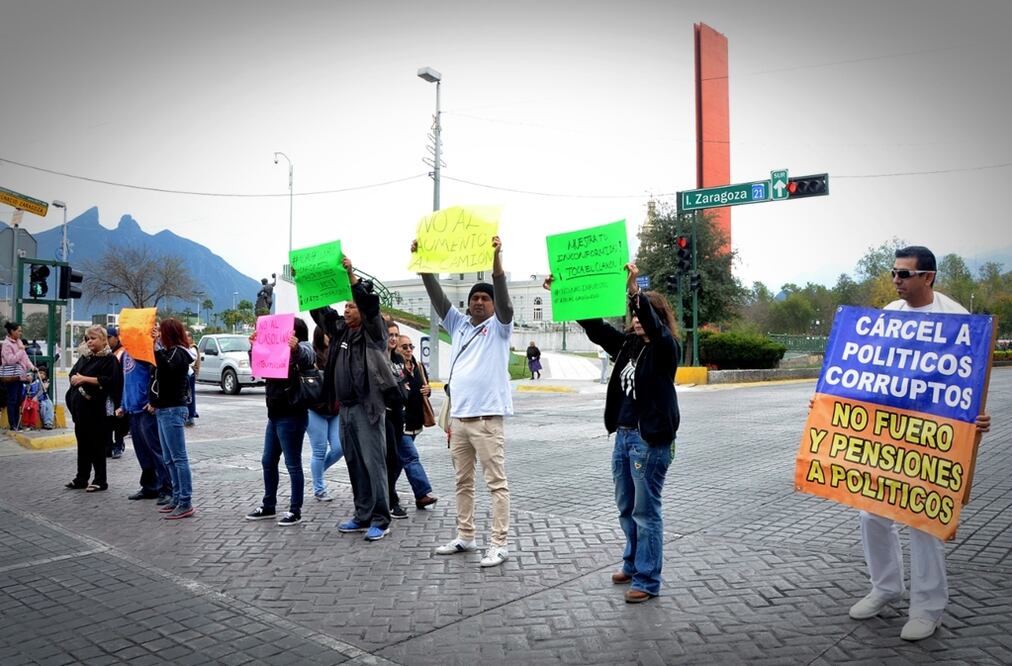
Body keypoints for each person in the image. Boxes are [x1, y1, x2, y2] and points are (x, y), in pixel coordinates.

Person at [844, 245, 991, 641]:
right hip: (887, 434)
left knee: (923, 522)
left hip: (932, 438)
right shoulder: (889, 316)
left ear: (928, 277)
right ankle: (885, 587)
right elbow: (866, 369)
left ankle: (929, 608)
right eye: (894, 273)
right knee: (871, 514)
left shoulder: (956, 319)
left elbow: (967, 380)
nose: (896, 281)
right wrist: (835, 398)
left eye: (904, 274)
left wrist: (975, 418)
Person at [546, 263, 681, 603]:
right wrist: (565, 296)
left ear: (658, 318)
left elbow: (651, 322)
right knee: (626, 507)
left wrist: (635, 293)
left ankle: (648, 580)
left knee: (646, 512)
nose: (636, 320)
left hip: (649, 440)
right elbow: (596, 329)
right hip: (623, 437)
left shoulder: (666, 348)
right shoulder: (627, 346)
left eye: (643, 315)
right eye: (633, 315)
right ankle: (633, 564)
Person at [412, 235, 514, 567]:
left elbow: (505, 299)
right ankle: (465, 536)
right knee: (462, 481)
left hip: (487, 420)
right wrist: (424, 265)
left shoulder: (500, 327)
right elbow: (437, 296)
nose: (480, 302)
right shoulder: (458, 326)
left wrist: (497, 259)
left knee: (496, 483)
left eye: (486, 298)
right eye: (475, 298)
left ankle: (499, 543)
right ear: (468, 304)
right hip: (460, 419)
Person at [311, 255, 397, 542]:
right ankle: (362, 515)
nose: (346, 310)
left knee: (374, 464)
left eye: (351, 306)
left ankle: (381, 519)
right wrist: (307, 281)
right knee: (355, 463)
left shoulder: (374, 331)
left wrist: (351, 276)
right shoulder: (341, 331)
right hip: (345, 409)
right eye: (344, 305)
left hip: (368, 408)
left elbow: (371, 305)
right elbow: (320, 312)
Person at [245, 317, 315, 525]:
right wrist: (254, 347)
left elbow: (308, 357)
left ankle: (295, 510)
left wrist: (295, 350)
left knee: (293, 464)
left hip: (292, 413)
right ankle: (269, 505)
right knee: (268, 461)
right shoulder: (275, 349)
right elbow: (258, 367)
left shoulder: (302, 348)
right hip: (274, 413)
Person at [151, 318, 198, 520]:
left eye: (162, 332)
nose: (159, 335)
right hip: (163, 409)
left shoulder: (179, 353)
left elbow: (168, 368)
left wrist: (156, 348)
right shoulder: (169, 352)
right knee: (169, 458)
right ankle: (177, 497)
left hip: (173, 409)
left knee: (179, 458)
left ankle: (185, 501)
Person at [64, 325, 120, 492]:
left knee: (97, 445)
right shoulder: (85, 358)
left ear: (103, 340)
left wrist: (84, 379)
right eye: (87, 339)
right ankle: (81, 477)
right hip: (81, 410)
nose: (89, 342)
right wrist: (75, 378)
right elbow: (73, 373)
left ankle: (100, 480)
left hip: (97, 410)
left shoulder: (110, 360)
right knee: (83, 444)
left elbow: (110, 381)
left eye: (93, 338)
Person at [117, 342, 172, 503]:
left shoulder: (148, 349)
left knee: (156, 450)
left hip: (146, 409)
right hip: (133, 409)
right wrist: (123, 404)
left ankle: (167, 488)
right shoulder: (126, 353)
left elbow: (158, 376)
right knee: (142, 452)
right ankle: (149, 486)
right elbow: (126, 382)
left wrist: (153, 400)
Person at [397, 334, 438, 510]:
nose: (408, 350)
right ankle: (422, 494)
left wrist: (428, 390)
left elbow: (425, 389)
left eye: (410, 346)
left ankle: (385, 492)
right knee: (411, 457)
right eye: (404, 346)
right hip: (400, 423)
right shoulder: (394, 368)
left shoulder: (418, 366)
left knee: (399, 462)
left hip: (415, 423)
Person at [307, 325, 343, 502]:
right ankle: (319, 488)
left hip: (335, 409)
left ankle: (317, 472)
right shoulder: (312, 355)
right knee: (319, 450)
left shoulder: (338, 352)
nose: (330, 336)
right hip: (315, 409)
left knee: (339, 448)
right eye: (327, 333)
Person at [2, 321, 36, 429]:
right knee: (12, 399)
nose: (20, 333)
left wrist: (31, 367)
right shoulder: (6, 344)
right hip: (11, 376)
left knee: (18, 399)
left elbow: (25, 358)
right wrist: (21, 350)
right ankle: (13, 424)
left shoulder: (19, 342)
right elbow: (10, 360)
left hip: (20, 375)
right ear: (12, 331)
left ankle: (17, 423)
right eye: (18, 331)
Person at [106, 326, 128, 458]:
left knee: (119, 421)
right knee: (108, 420)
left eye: (109, 337)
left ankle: (119, 445)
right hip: (108, 393)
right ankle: (108, 445)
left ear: (116, 338)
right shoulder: (107, 352)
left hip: (119, 392)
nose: (107, 340)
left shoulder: (122, 352)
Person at [185, 330, 200, 426]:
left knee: (190, 396)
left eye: (187, 336)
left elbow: (191, 362)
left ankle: (190, 417)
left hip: (189, 375)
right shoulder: (186, 348)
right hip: (186, 374)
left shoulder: (192, 348)